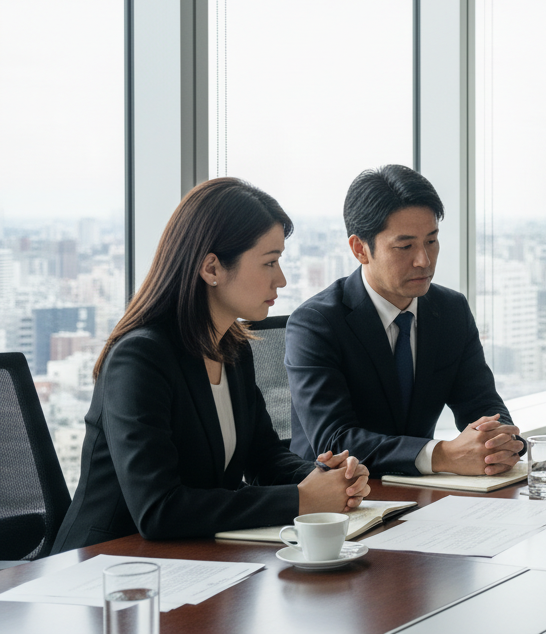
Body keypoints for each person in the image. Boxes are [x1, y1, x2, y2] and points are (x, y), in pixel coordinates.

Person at [53, 179, 369, 551]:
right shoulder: (139, 359)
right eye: (269, 262)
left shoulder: (232, 350)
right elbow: (159, 510)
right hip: (108, 567)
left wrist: (326, 478)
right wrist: (301, 500)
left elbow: (263, 457)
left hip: (194, 558)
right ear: (212, 268)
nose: (281, 279)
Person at [286, 165, 523, 478]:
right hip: (337, 500)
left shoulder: (450, 309)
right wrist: (441, 455)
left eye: (431, 241)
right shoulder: (316, 323)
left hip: (419, 494)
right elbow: (335, 440)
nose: (423, 260)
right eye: (405, 246)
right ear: (360, 249)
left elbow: (481, 403)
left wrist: (500, 442)